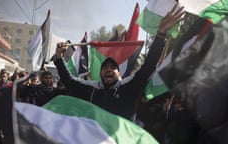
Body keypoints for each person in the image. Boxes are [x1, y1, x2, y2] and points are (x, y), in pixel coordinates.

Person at [54, 4, 185, 120]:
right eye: (105, 68)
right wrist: (59, 57)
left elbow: (148, 65)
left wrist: (161, 34)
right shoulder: (92, 89)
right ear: (100, 74)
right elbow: (69, 81)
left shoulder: (129, 87)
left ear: (119, 73)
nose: (109, 69)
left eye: (113, 67)